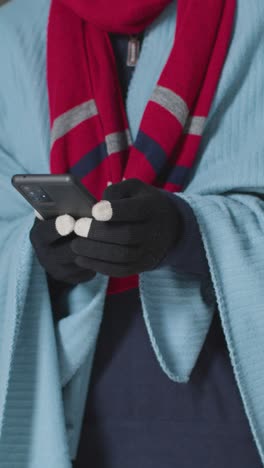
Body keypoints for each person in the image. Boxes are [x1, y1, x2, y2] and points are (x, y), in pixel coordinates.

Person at [0, 0, 264, 467]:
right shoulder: (11, 31)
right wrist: (35, 256)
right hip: (61, 428)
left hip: (235, 422)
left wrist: (185, 232)